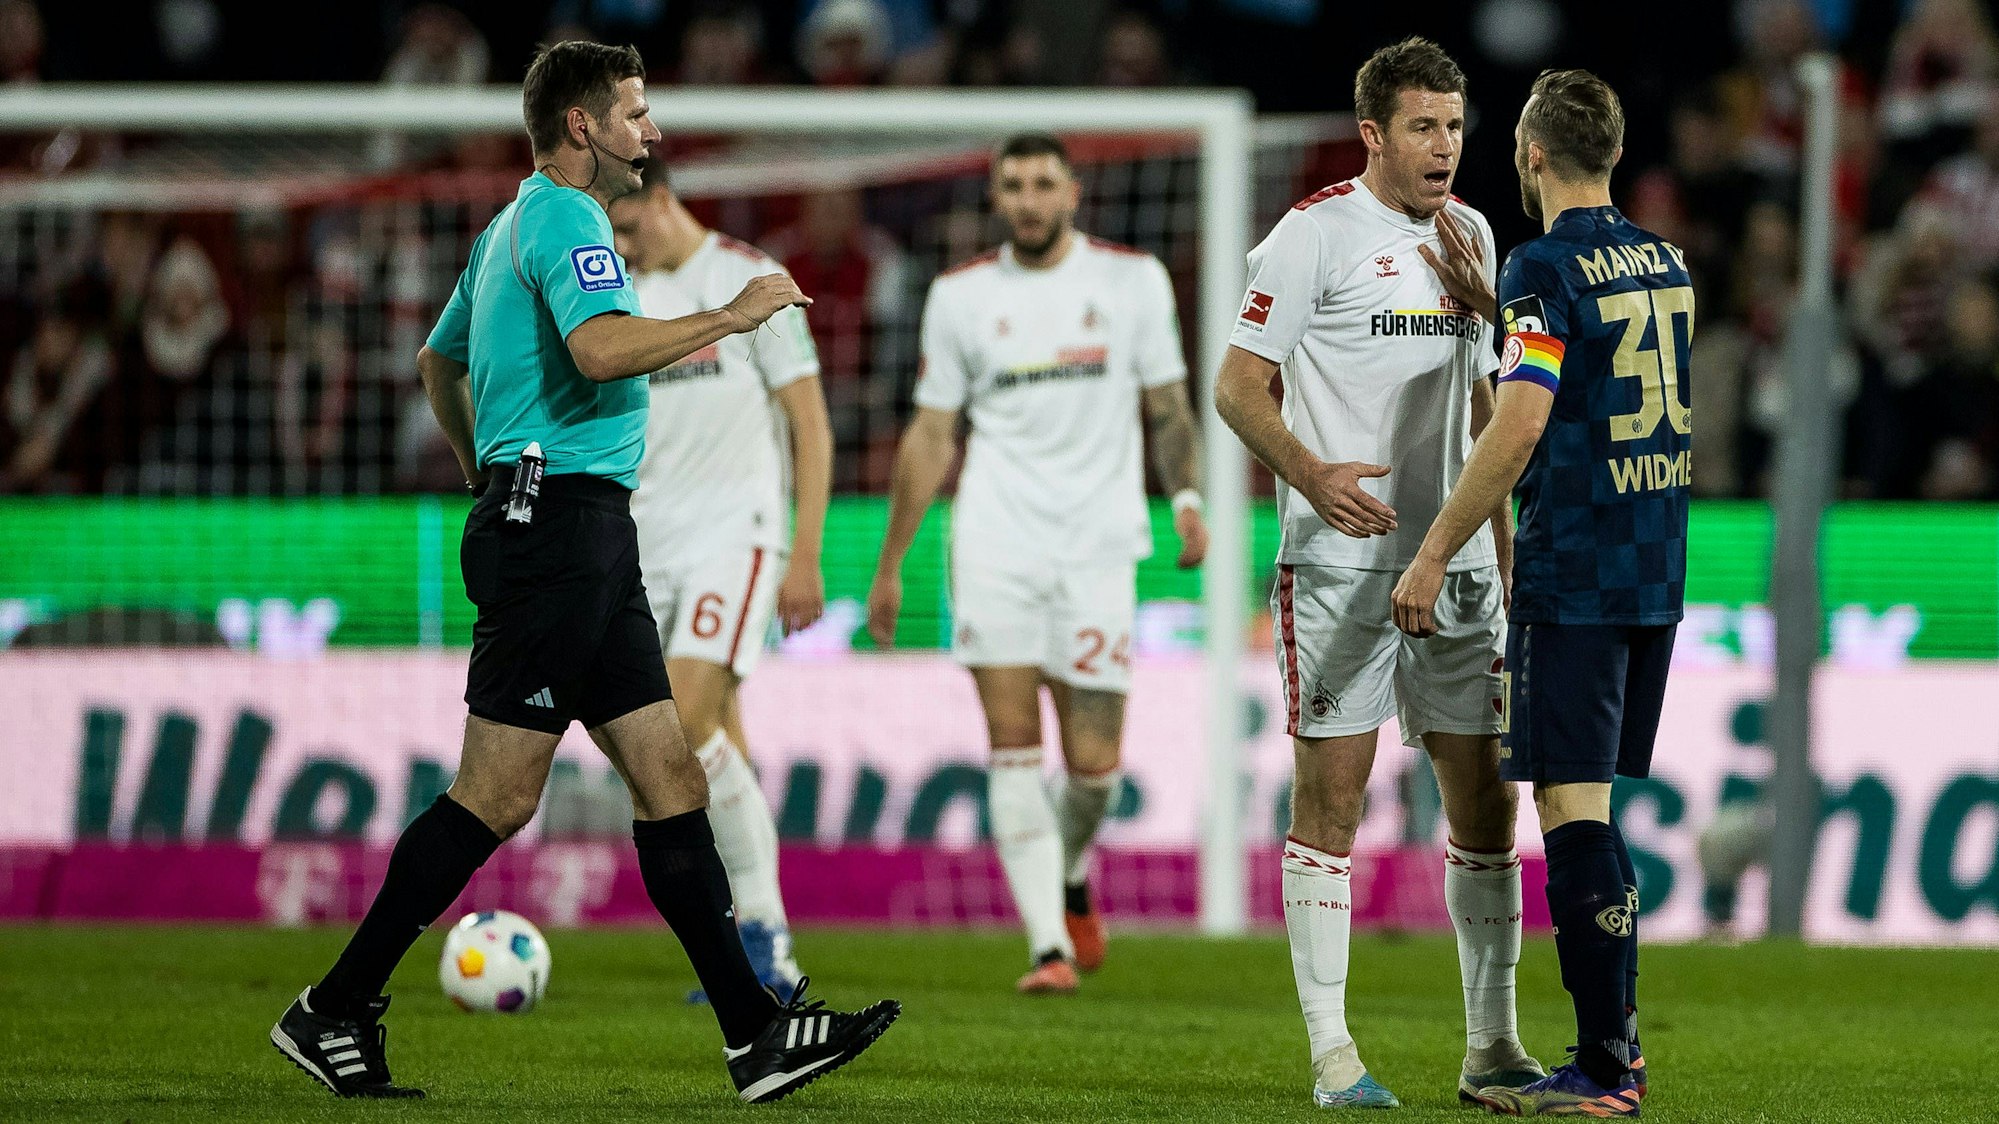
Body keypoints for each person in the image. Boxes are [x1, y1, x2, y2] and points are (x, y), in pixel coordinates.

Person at [267, 41, 897, 1104]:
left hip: (574, 527)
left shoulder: (503, 225)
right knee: (498, 792)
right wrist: (729, 316)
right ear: (581, 127)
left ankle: (754, 1033)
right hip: (558, 532)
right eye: (636, 112)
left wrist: (489, 471)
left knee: (670, 775)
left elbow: (438, 361)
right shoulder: (565, 216)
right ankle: (331, 1007)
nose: (651, 131)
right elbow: (601, 350)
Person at [1212, 36, 1541, 1110]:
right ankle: (1331, 1054)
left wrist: (1500, 548)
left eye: (1454, 126)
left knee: (1486, 808)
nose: (1444, 146)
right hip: (1340, 557)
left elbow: (1490, 407)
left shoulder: (1474, 233)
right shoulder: (1310, 236)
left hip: (1456, 561)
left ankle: (1490, 1045)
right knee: (1333, 803)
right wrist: (1310, 474)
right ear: (1372, 136)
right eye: (1421, 127)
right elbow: (1236, 386)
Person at [1391, 68, 1693, 1117]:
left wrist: (1433, 549)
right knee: (1590, 805)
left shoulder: (1541, 263)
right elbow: (1606, 369)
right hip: (1654, 566)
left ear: (1528, 154)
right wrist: (1501, 312)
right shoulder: (1663, 259)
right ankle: (1614, 1051)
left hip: (1573, 569)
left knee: (1568, 810)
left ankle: (1607, 1067)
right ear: (1609, 153)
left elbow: (1518, 423)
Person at [866, 132, 1208, 994]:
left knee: (1095, 768)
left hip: (1098, 547)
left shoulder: (1131, 281)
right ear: (996, 198)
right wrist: (891, 559)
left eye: (1041, 183)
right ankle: (1048, 948)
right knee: (1013, 750)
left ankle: (1066, 871)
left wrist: (1190, 501)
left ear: (1072, 194)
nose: (1026, 198)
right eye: (1011, 184)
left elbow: (1166, 407)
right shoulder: (960, 296)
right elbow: (932, 430)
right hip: (994, 542)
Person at [608, 160, 834, 996]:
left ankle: (764, 936)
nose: (620, 243)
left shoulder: (748, 281)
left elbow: (809, 424)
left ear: (662, 200)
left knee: (677, 728)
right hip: (645, 545)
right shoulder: (619, 292)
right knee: (708, 743)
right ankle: (764, 943)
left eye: (628, 226)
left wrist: (804, 551)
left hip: (733, 537)